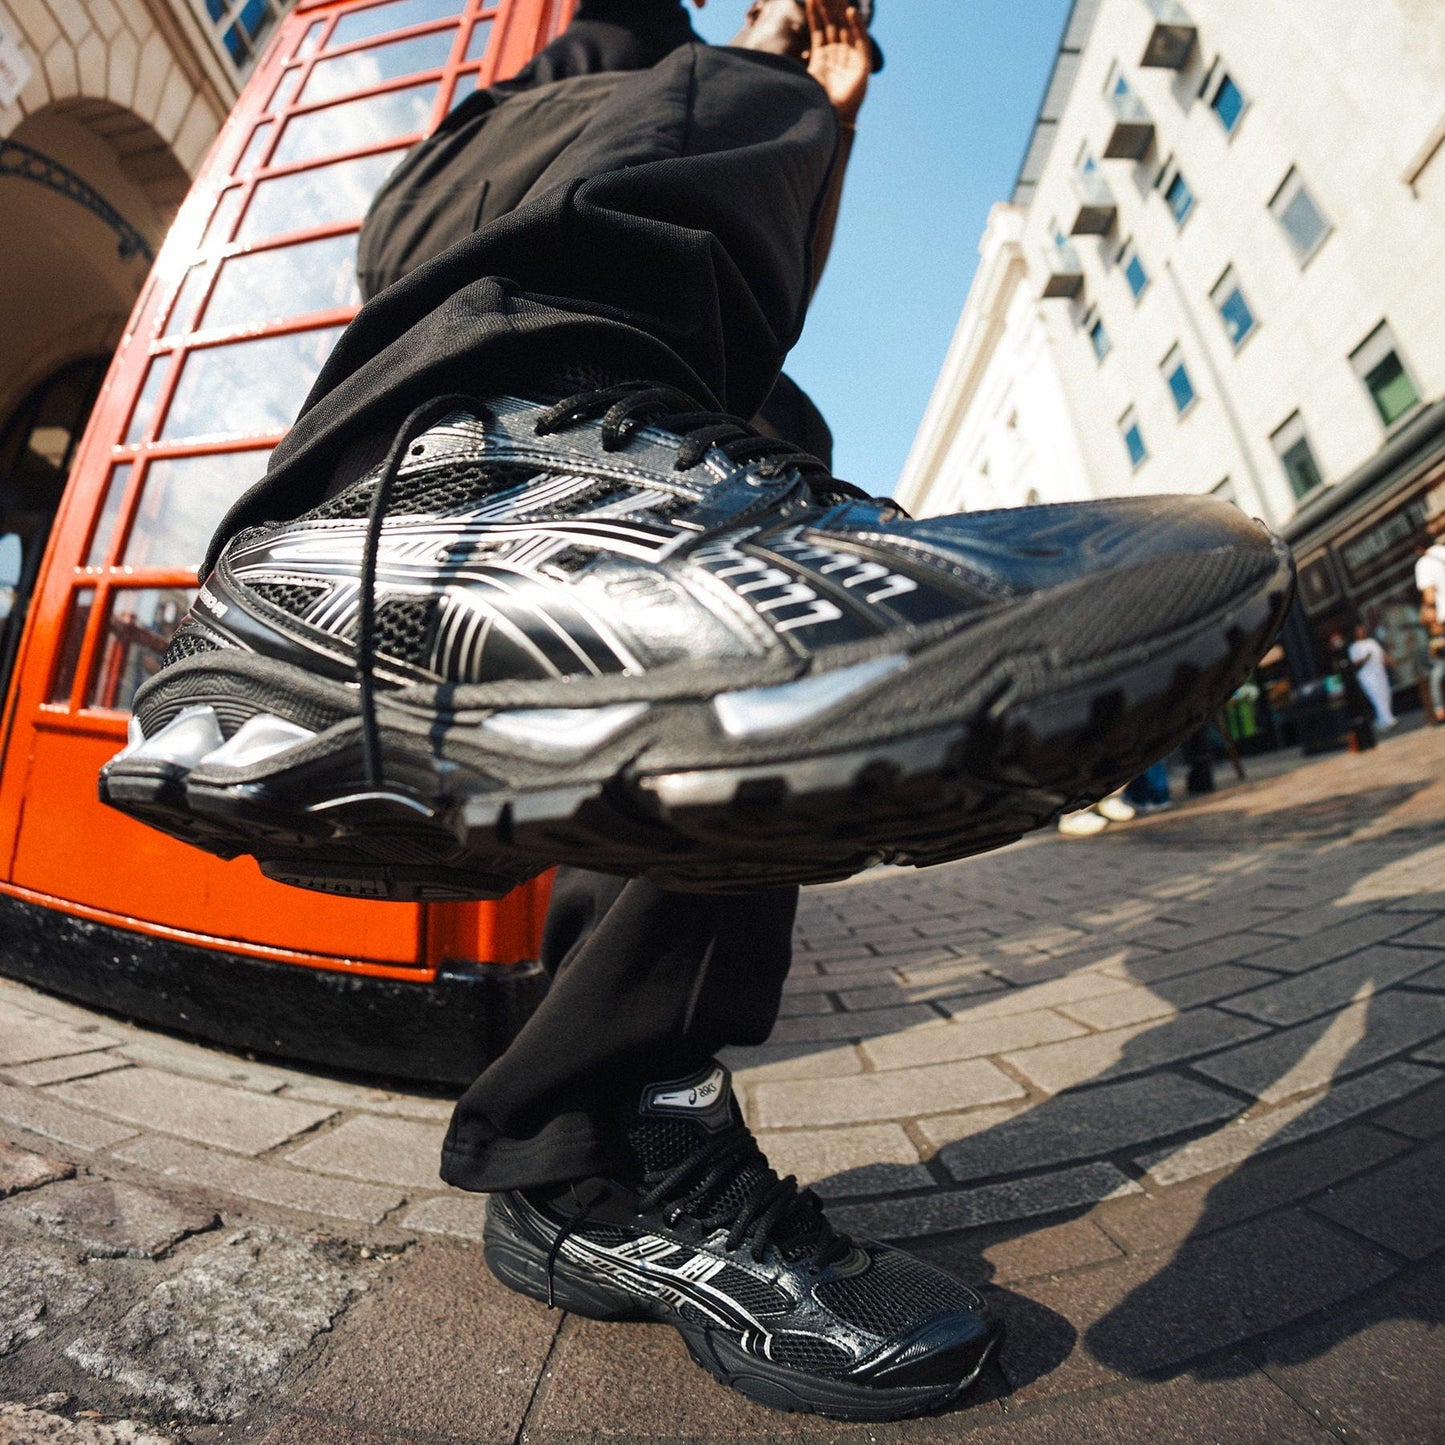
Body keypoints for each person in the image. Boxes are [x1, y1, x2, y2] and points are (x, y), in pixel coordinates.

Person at [100, 0, 1294, 1420]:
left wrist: (823, 104)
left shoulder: (700, 116)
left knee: (746, 657)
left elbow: (754, 280)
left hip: (611, 335)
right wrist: (765, 67)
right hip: (498, 336)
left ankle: (590, 1153)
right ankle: (425, 534)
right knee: (718, 120)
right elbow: (601, 183)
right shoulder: (628, 73)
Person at [1416, 533, 1445, 723]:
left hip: (1443, 620)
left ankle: (1439, 709)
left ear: (1419, 549)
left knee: (1438, 666)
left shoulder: (1425, 563)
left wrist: (1430, 620)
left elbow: (1429, 596)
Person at [1348, 622, 1396, 731]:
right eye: (1358, 631)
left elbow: (1382, 655)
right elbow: (1354, 663)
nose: (1361, 632)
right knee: (1376, 696)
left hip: (1379, 672)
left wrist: (1391, 662)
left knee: (1385, 694)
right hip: (1367, 676)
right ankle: (1388, 720)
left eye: (1362, 630)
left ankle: (1382, 720)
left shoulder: (1372, 642)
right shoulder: (1354, 647)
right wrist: (1365, 659)